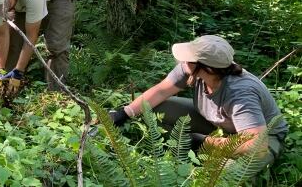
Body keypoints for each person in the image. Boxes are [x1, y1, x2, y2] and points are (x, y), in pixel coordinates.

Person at [108, 35, 288, 167]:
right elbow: (161, 91)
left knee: (226, 172)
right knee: (156, 109)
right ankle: (187, 147)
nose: (183, 61)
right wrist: (124, 113)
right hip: (221, 125)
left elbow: (256, 146)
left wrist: (204, 142)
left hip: (262, 138)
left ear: (207, 68)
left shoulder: (240, 93)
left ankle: (196, 149)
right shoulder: (192, 69)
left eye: (189, 59)